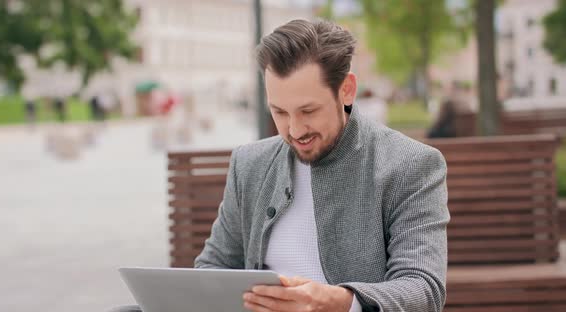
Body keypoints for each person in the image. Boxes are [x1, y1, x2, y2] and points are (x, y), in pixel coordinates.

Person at [112, 19, 449, 312]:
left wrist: (341, 302)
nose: (294, 130)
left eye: (308, 111)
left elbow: (423, 288)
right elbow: (214, 267)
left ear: (346, 90)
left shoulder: (410, 166)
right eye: (280, 112)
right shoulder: (250, 165)